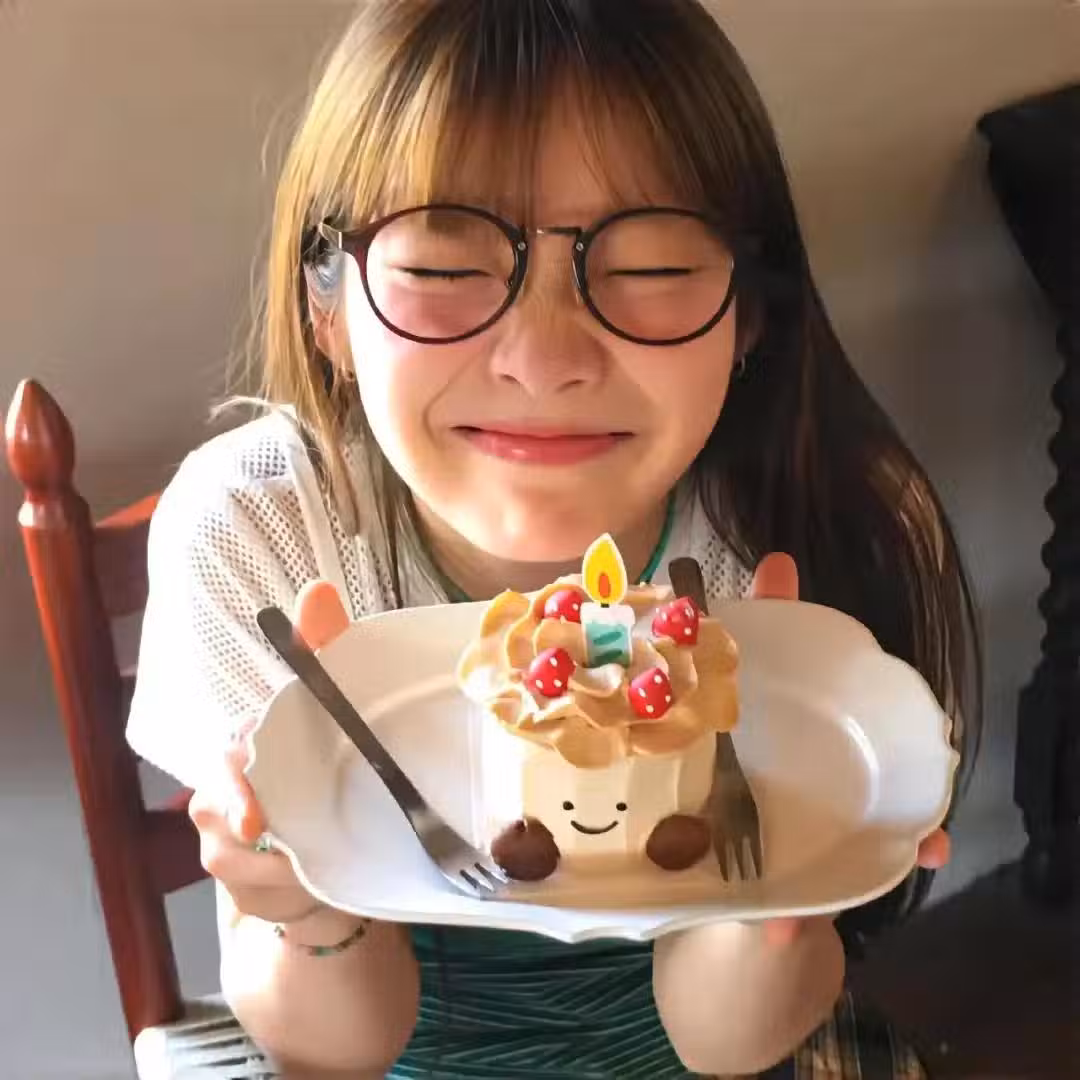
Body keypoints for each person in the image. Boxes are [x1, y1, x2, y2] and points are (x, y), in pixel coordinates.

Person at [127, 1, 977, 1076]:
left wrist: (774, 885)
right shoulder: (261, 535)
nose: (543, 360)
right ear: (326, 308)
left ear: (751, 312)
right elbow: (334, 1050)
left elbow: (728, 1043)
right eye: (444, 269)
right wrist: (304, 906)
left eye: (651, 267)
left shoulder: (812, 532)